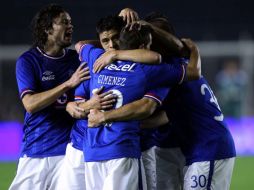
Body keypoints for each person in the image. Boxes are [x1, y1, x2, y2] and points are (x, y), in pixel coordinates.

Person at [57, 12, 162, 190]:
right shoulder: (95, 61)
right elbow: (75, 108)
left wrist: (116, 54)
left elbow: (156, 59)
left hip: (130, 147)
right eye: (105, 41)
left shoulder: (143, 67)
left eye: (116, 38)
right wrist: (88, 105)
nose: (111, 45)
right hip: (84, 146)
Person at [78, 24, 188, 190]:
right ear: (144, 47)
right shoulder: (146, 70)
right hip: (122, 148)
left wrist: (112, 51)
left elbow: (80, 45)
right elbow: (162, 60)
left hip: (92, 150)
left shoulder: (97, 57)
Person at [9, 4, 90, 190]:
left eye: (71, 22)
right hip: (37, 150)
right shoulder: (28, 61)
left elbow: (101, 44)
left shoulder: (76, 59)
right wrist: (68, 84)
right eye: (64, 22)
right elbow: (30, 104)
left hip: (68, 152)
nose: (71, 26)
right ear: (47, 29)